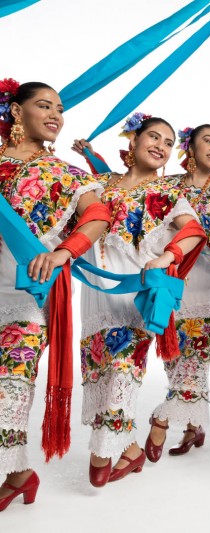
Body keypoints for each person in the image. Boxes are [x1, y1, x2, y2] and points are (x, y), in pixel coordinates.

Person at [79, 113, 205, 488]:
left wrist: (169, 256)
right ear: (131, 141)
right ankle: (131, 450)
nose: (161, 146)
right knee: (97, 370)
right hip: (94, 295)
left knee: (122, 369)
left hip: (134, 296)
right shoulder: (98, 185)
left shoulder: (169, 194)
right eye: (153, 136)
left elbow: (193, 230)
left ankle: (102, 454)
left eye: (168, 142)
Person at [0, 79, 109, 511]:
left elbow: (99, 213)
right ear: (14, 113)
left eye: (60, 109)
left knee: (10, 387)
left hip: (26, 296)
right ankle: (20, 476)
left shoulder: (63, 173)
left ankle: (15, 472)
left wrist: (65, 250)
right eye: (44, 106)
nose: (55, 115)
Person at [142, 124, 210, 461]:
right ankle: (194, 424)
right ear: (189, 146)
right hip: (171, 284)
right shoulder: (167, 187)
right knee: (175, 359)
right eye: (209, 140)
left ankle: (161, 420)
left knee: (197, 357)